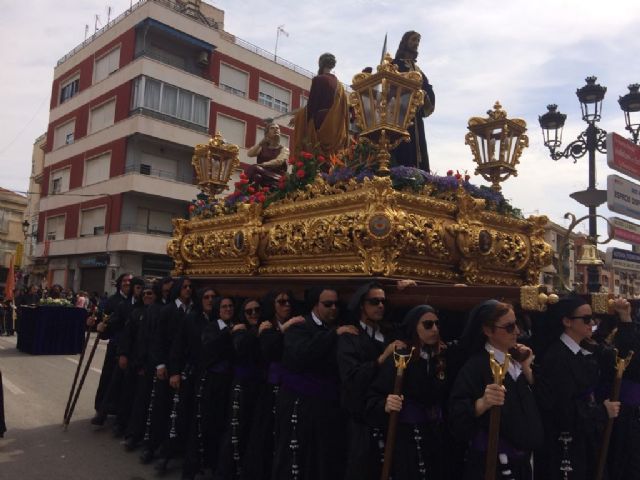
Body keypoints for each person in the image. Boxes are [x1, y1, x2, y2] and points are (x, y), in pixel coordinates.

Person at [535, 296, 628, 480]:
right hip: (566, 439)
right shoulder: (557, 357)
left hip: (584, 435)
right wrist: (601, 411)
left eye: (592, 319)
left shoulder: (580, 350)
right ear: (567, 321)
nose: (591, 324)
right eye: (586, 319)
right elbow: (562, 408)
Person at [449, 300, 543, 479]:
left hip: (523, 464)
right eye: (509, 327)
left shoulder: (519, 362)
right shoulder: (476, 367)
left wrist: (527, 370)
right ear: (487, 330)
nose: (517, 331)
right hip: (494, 465)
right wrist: (482, 403)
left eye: (517, 324)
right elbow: (456, 415)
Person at [271, 286, 358, 480]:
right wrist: (333, 335)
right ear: (315, 305)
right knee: (299, 456)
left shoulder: (339, 326)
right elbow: (301, 356)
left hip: (329, 405)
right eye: (327, 304)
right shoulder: (300, 325)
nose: (333, 308)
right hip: (301, 403)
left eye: (337, 304)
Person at [366, 304, 451, 480]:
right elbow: (374, 395)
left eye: (436, 324)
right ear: (414, 328)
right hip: (408, 434)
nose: (434, 329)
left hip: (437, 431)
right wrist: (386, 404)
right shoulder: (401, 357)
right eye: (427, 325)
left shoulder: (442, 355)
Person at [338, 282, 405, 480]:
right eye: (374, 302)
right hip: (360, 416)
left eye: (383, 301)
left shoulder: (388, 332)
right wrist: (382, 358)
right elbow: (351, 378)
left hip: (388, 412)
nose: (380, 306)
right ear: (361, 304)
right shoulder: (350, 336)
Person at [243, 289, 303, 480]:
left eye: (288, 301)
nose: (287, 305)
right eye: (281, 302)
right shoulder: (267, 325)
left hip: (292, 387)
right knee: (265, 435)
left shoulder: (298, 324)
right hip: (269, 388)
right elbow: (270, 350)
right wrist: (284, 329)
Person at [182, 294, 235, 480]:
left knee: (220, 426)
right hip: (210, 383)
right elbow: (209, 349)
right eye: (224, 306)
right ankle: (190, 468)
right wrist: (228, 334)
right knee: (200, 425)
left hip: (227, 384)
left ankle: (213, 464)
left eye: (230, 306)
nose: (228, 309)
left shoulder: (236, 329)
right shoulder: (212, 328)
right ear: (219, 311)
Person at [214, 298, 263, 479]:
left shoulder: (265, 328)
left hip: (260, 387)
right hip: (242, 386)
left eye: (257, 310)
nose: (254, 314)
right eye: (249, 311)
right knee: (235, 430)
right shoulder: (240, 331)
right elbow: (241, 349)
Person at [391, 31, 435, 172]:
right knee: (402, 147)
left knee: (418, 147)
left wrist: (424, 95)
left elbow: (428, 88)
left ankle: (419, 178)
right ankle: (401, 175)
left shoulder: (418, 70)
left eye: (418, 41)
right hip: (400, 116)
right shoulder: (395, 65)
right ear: (405, 42)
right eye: (413, 40)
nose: (416, 43)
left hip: (415, 116)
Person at [91, 273, 132, 424]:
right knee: (108, 378)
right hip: (115, 345)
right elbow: (103, 319)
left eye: (131, 281)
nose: (128, 283)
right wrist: (98, 325)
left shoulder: (136, 301)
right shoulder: (112, 301)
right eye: (126, 281)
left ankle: (119, 410)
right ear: (120, 283)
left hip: (131, 348)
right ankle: (101, 409)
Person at [292, 53, 350, 157]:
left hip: (320, 123)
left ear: (320, 64)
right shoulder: (340, 85)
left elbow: (312, 105)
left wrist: (300, 118)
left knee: (315, 156)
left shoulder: (318, 79)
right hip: (336, 129)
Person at [246, 122, 290, 187]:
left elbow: (279, 161)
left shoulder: (284, 149)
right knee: (257, 177)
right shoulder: (262, 148)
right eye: (272, 128)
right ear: (267, 133)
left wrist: (263, 165)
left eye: (277, 128)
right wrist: (260, 143)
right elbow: (250, 154)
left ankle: (243, 189)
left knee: (254, 168)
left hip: (277, 176)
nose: (276, 129)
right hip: (263, 174)